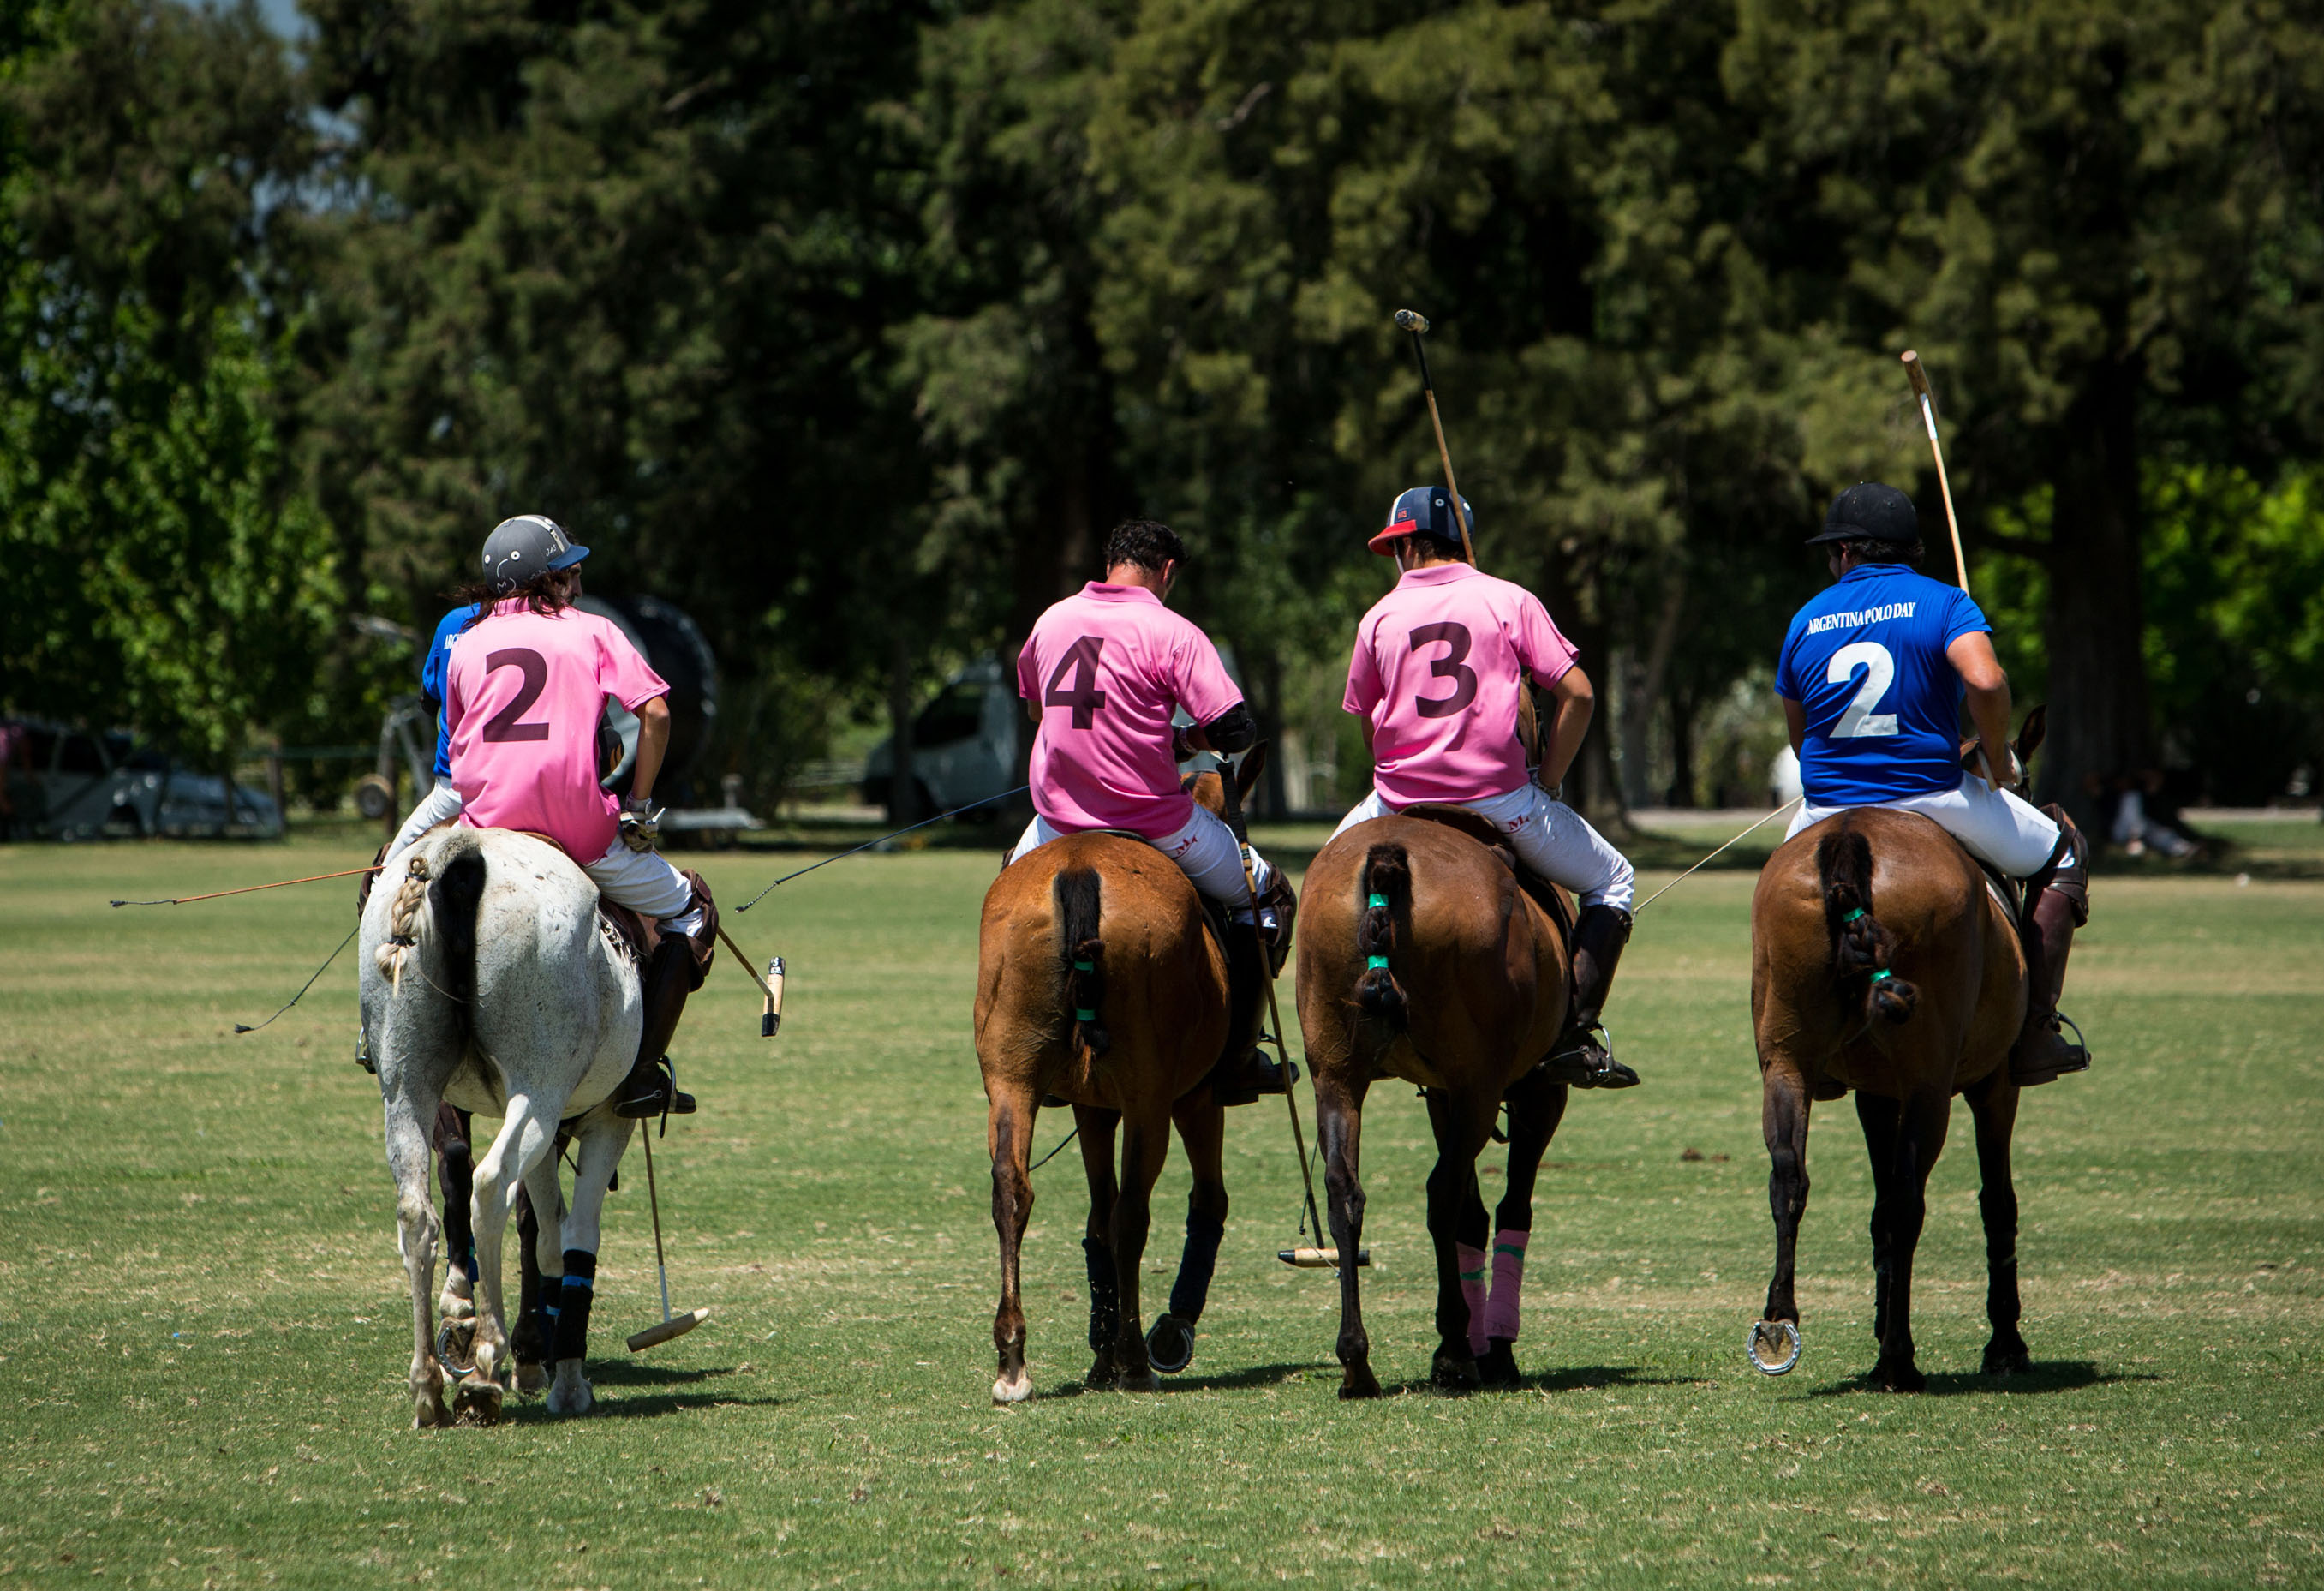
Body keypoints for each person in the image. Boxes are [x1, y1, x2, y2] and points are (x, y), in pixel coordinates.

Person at [1774, 482, 2089, 1084]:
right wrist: (1997, 757)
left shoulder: (1805, 617)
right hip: (1933, 797)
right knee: (2063, 850)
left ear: (1845, 552)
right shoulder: (1945, 602)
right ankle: (2034, 1032)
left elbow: (1799, 732)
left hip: (1825, 807)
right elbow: (1989, 683)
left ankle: (1798, 1036)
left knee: (1779, 895)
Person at [1329, 487, 1640, 1089]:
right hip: (1498, 801)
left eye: (1396, 547)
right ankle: (1571, 1035)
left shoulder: (1377, 617)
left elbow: (1367, 723)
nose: (1395, 560)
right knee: (1613, 879)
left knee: (1319, 881)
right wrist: (1546, 778)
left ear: (1413, 545)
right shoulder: (1508, 598)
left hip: (1395, 801)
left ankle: (1328, 1030)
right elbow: (1577, 694)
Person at [1008, 517, 1296, 1104]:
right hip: (1155, 823)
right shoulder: (1171, 630)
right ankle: (1238, 1055)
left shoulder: (1051, 619)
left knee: (1006, 904)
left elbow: (1040, 713)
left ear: (1111, 560)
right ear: (1166, 571)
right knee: (1266, 895)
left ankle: (1020, 1044)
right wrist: (1185, 741)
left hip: (1054, 821)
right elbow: (1234, 728)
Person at [442, 513, 715, 1118]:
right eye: (570, 573)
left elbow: (461, 744)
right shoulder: (591, 631)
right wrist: (639, 806)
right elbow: (658, 714)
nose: (579, 587)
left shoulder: (466, 643)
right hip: (574, 831)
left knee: (398, 893)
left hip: (482, 831)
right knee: (692, 911)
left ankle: (381, 1038)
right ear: (548, 580)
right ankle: (642, 1074)